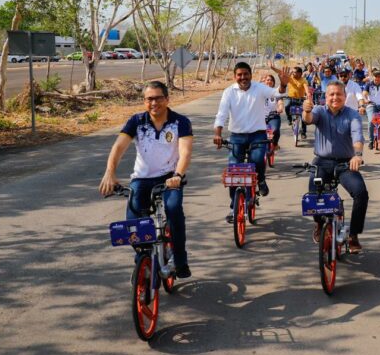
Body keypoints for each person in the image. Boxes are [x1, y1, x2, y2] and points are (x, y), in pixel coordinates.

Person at [99, 81, 194, 278]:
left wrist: (178, 175)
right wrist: (110, 172)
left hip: (170, 178)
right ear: (144, 101)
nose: (154, 103)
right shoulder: (136, 121)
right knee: (133, 223)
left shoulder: (181, 122)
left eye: (158, 98)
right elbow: (119, 147)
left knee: (174, 208)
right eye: (149, 99)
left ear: (167, 99)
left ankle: (179, 258)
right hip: (141, 179)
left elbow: (185, 153)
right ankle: (145, 258)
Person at [302, 81, 368, 253]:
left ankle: (353, 235)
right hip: (322, 162)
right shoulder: (319, 111)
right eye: (331, 94)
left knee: (361, 193)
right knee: (313, 192)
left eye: (339, 94)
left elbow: (358, 137)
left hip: (345, 163)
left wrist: (357, 155)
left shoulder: (352, 115)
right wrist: (306, 110)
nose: (335, 98)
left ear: (345, 97)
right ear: (326, 97)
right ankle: (318, 223)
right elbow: (308, 119)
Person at [213, 61, 291, 207]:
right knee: (234, 170)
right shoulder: (229, 92)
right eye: (239, 75)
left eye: (246, 74)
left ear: (250, 75)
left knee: (257, 160)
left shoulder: (259, 88)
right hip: (237, 136)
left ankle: (261, 179)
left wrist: (283, 84)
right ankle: (233, 206)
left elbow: (275, 93)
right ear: (234, 76)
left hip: (258, 135)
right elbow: (221, 114)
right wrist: (218, 133)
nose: (243, 77)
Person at [280, 66, 309, 139]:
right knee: (287, 106)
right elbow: (280, 73)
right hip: (290, 98)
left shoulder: (303, 80)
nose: (293, 73)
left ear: (300, 73)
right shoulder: (290, 78)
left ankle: (303, 132)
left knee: (303, 116)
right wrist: (272, 67)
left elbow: (306, 89)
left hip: (301, 99)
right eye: (292, 72)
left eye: (295, 72)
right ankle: (289, 118)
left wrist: (308, 95)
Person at [262, 74, 285, 149]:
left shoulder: (276, 92)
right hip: (261, 117)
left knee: (275, 129)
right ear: (264, 81)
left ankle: (275, 144)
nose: (269, 81)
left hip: (273, 116)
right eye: (267, 80)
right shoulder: (260, 92)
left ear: (274, 82)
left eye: (271, 80)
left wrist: (280, 108)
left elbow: (280, 101)